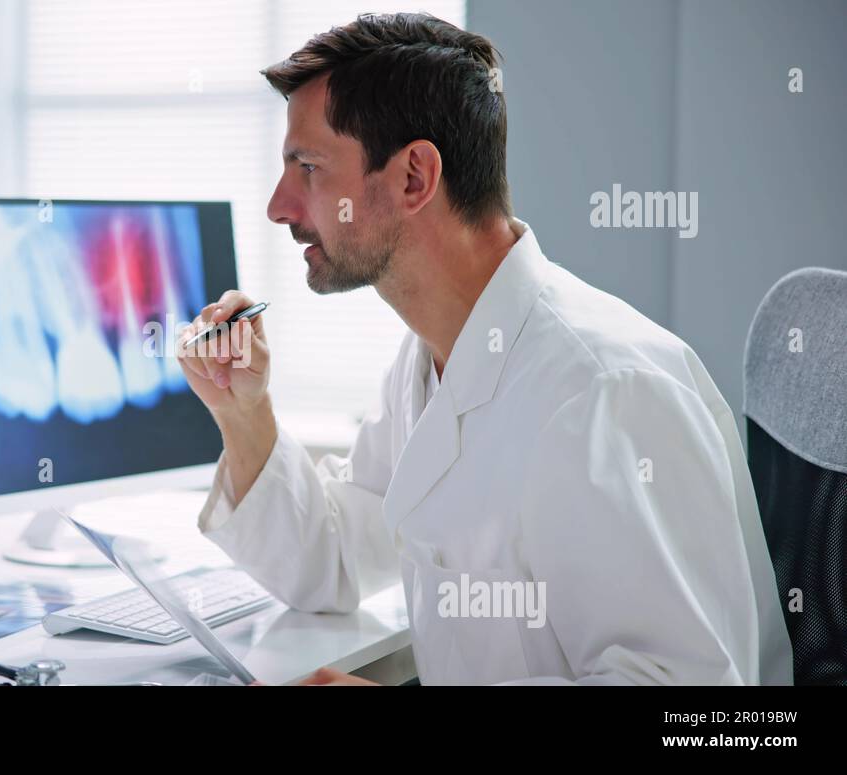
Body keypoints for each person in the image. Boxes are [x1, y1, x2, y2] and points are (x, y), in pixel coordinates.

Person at [177, 12, 792, 685]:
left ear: (414, 176)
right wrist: (245, 414)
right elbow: (336, 559)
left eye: (309, 168)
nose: (278, 205)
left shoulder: (605, 390)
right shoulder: (431, 362)